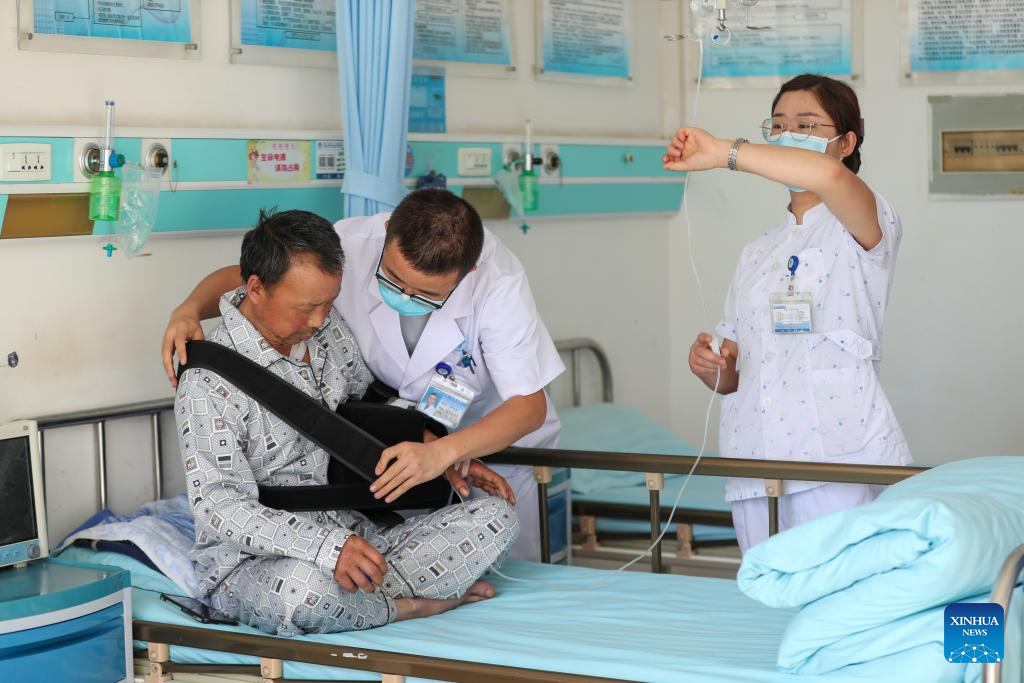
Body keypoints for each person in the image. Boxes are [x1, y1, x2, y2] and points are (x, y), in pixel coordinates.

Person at [163, 189, 563, 561]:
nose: (404, 297)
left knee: (506, 546)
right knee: (400, 553)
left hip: (492, 435)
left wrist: (445, 453)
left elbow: (528, 407)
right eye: (393, 278)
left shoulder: (499, 283)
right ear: (386, 233)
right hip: (396, 435)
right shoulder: (352, 244)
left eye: (427, 295)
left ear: (469, 271)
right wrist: (188, 310)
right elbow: (252, 277)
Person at [175, 209, 519, 636]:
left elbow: (369, 405)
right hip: (259, 563)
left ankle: (364, 600)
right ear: (256, 288)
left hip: (357, 534)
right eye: (306, 307)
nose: (319, 320)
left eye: (329, 303)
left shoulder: (326, 332)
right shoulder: (207, 382)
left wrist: (442, 453)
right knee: (305, 592)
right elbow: (218, 504)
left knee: (496, 519)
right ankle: (409, 607)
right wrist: (326, 548)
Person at [664, 74, 911, 552]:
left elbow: (829, 178)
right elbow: (732, 376)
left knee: (840, 587)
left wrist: (724, 152)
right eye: (778, 125)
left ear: (846, 143)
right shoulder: (758, 253)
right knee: (767, 590)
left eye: (806, 124)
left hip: (836, 458)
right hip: (755, 461)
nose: (788, 133)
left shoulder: (866, 221)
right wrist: (711, 367)